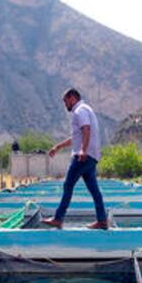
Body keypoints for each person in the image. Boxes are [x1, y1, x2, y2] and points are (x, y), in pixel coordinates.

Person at [41, 88, 108, 230]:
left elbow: (86, 129)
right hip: (91, 157)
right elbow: (77, 137)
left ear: (72, 98)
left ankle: (58, 218)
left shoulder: (80, 111)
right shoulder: (86, 109)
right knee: (94, 190)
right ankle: (102, 220)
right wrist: (58, 147)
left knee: (68, 185)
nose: (65, 105)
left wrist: (83, 150)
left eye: (65, 101)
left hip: (83, 157)